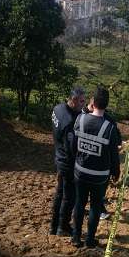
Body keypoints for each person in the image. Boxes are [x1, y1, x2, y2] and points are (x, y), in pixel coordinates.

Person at [71, 86, 121, 248]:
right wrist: (116, 172)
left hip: (80, 172)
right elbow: (114, 155)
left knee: (79, 203)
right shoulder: (110, 128)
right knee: (95, 206)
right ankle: (90, 240)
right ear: (106, 104)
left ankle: (76, 237)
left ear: (93, 102)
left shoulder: (80, 119)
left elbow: (73, 145)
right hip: (99, 176)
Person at [49, 87, 86, 236]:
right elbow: (72, 148)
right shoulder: (70, 121)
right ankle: (63, 227)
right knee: (69, 197)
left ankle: (53, 226)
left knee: (60, 193)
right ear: (74, 100)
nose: (84, 104)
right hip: (67, 162)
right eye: (82, 101)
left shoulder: (57, 109)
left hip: (58, 156)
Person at [82, 98, 123, 220]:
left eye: (91, 105)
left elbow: (117, 138)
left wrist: (117, 145)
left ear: (94, 105)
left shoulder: (108, 120)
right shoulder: (82, 116)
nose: (90, 107)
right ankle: (97, 209)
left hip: (97, 164)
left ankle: (97, 208)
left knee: (97, 191)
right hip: (87, 164)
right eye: (88, 105)